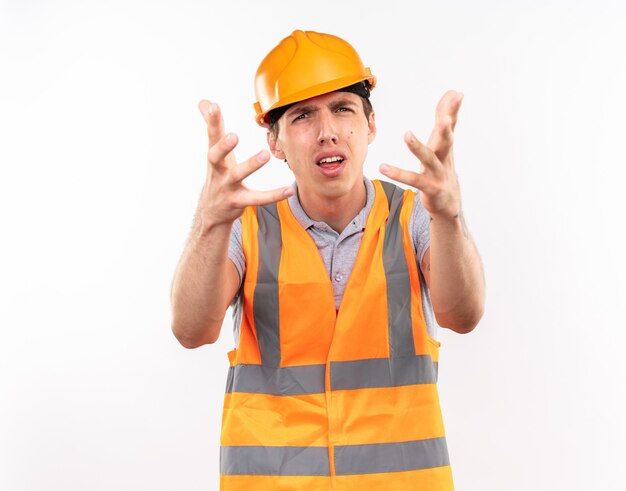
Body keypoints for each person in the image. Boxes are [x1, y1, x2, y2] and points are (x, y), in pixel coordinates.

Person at [170, 30, 485, 490]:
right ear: (274, 141)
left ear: (370, 124)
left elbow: (462, 315)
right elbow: (192, 330)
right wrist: (211, 222)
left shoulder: (416, 217)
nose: (328, 131)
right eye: (302, 116)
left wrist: (449, 217)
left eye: (343, 108)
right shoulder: (246, 226)